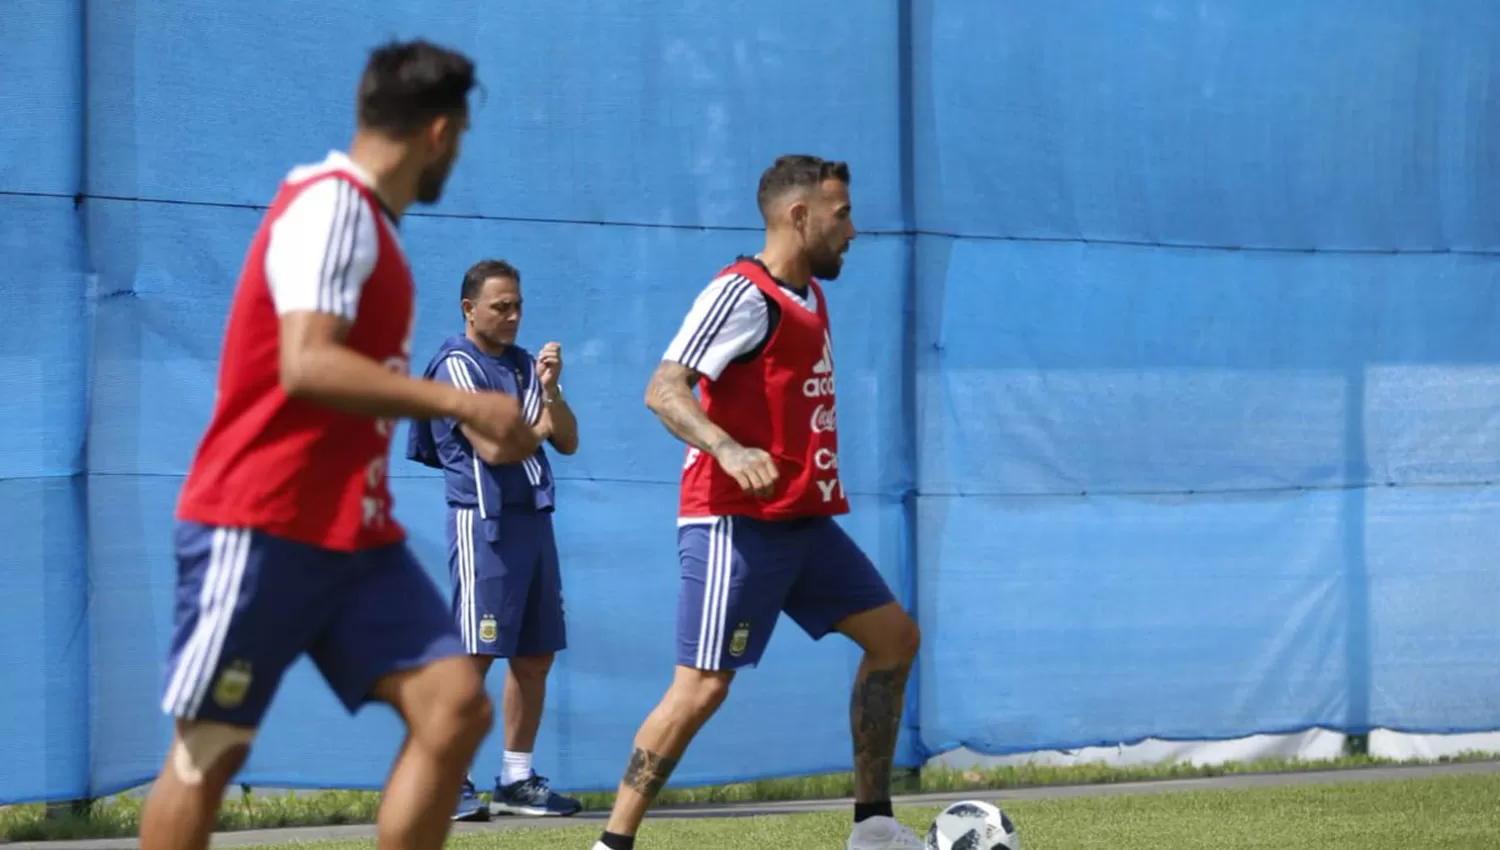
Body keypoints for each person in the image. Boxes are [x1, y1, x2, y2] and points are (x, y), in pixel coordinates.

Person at [140, 40, 542, 850]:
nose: (455, 156)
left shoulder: (377, 236)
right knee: (210, 751)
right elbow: (307, 362)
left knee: (454, 708)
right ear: (438, 132)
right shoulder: (331, 207)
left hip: (354, 536)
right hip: (255, 526)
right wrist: (463, 402)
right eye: (459, 139)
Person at [590, 155, 923, 850]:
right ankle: (611, 844)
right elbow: (664, 388)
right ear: (799, 216)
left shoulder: (808, 294)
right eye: (842, 215)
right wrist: (728, 449)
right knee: (702, 688)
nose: (853, 230)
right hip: (733, 524)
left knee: (894, 640)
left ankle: (874, 829)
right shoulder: (742, 293)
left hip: (802, 521)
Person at [406, 259, 584, 821]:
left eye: (518, 306)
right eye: (499, 306)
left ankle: (515, 778)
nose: (512, 316)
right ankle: (445, 780)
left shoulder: (528, 366)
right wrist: (536, 430)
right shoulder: (455, 365)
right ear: (469, 309)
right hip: (484, 522)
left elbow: (569, 441)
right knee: (474, 655)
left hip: (533, 520)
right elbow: (495, 449)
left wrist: (551, 393)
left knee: (535, 655)